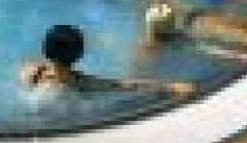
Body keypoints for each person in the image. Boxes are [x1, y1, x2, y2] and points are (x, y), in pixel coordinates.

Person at [19, 24, 194, 95]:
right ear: (79, 55)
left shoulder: (30, 70)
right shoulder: (81, 84)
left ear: (45, 50)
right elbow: (126, 85)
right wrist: (170, 86)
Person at [148, 0, 247, 56]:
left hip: (184, 25)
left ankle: (154, 37)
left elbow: (211, 47)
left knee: (155, 12)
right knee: (160, 0)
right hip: (195, 15)